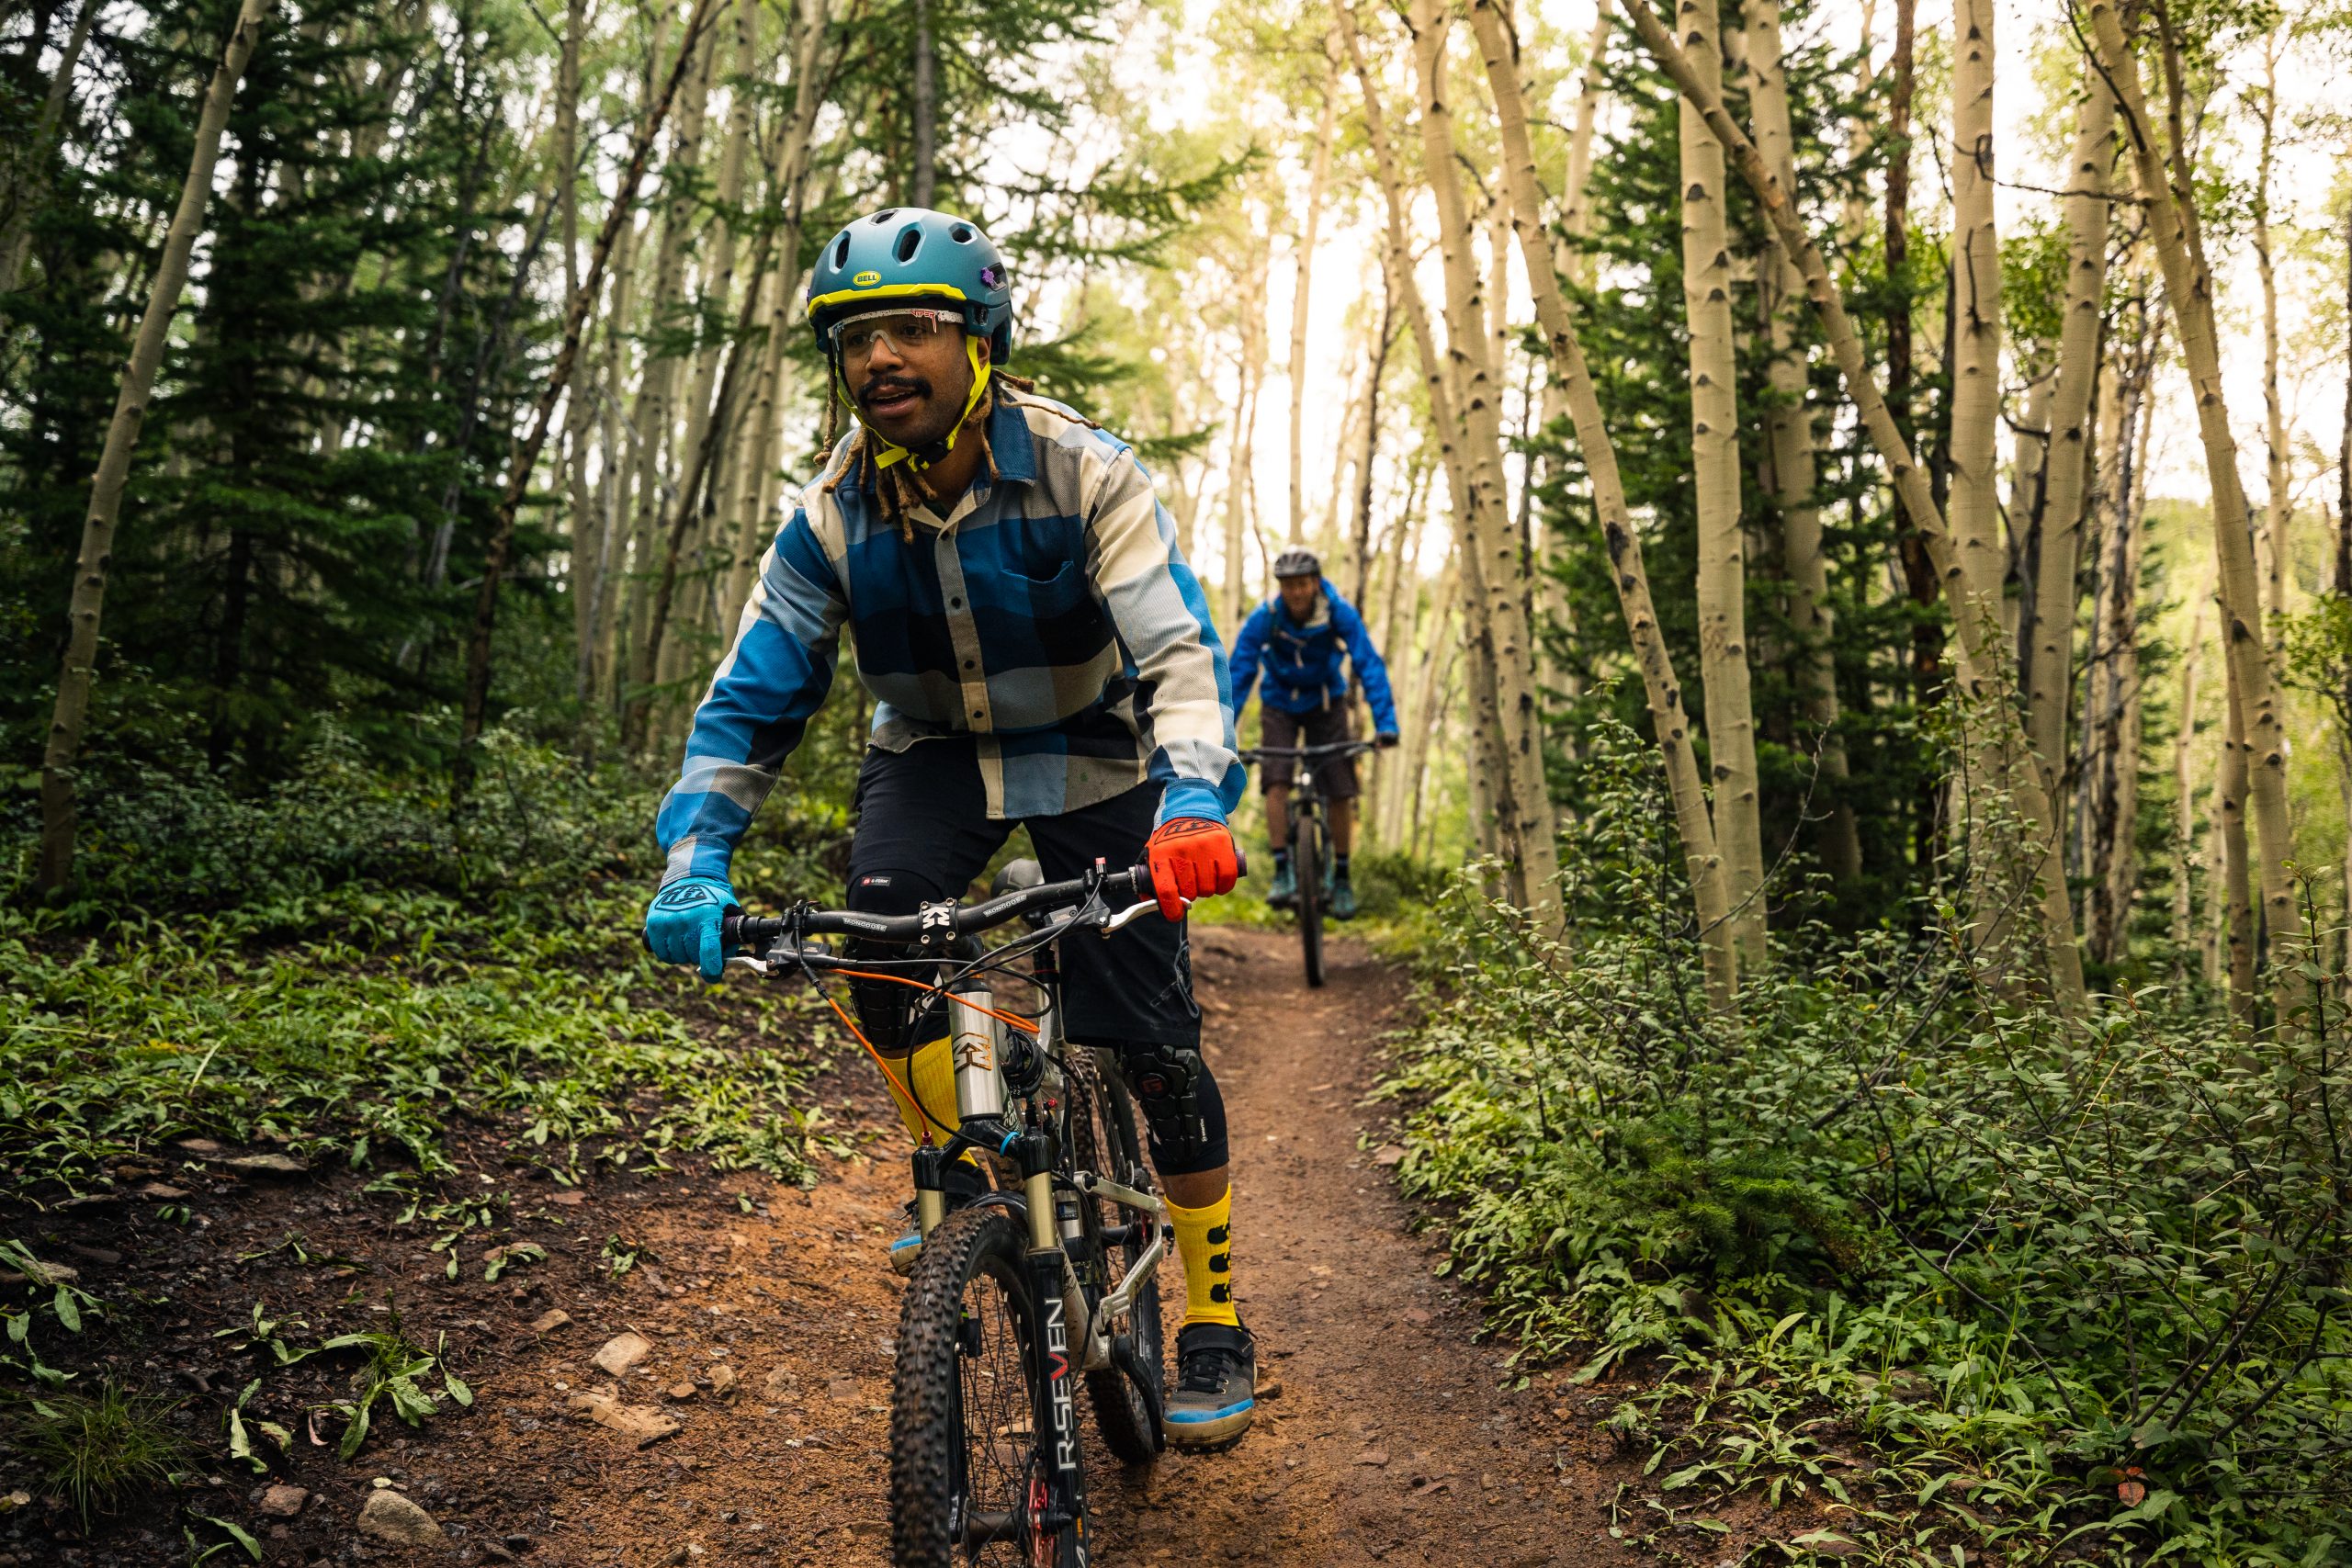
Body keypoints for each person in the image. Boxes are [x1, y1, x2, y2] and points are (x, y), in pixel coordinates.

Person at [639, 208, 1258, 1448]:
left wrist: (1192, 795)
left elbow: (1179, 651)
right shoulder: (825, 519)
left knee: (1151, 1037)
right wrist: (696, 858)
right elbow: (753, 698)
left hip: (1101, 755)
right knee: (876, 948)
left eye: (915, 327)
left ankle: (1214, 1313)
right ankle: (971, 1171)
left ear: (979, 342)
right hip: (931, 760)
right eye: (858, 337)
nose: (882, 358)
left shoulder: (1086, 471)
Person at [1228, 548, 1399, 920]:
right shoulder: (1266, 617)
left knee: (1339, 786)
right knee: (1275, 780)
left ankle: (1340, 875)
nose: (1297, 592)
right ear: (1280, 588)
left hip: (1326, 702)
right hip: (1278, 704)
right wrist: (1222, 730)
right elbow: (1239, 672)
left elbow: (1367, 663)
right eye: (1288, 585)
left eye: (1303, 583)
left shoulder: (1338, 612)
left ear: (1316, 583)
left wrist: (1385, 723)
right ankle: (1282, 870)